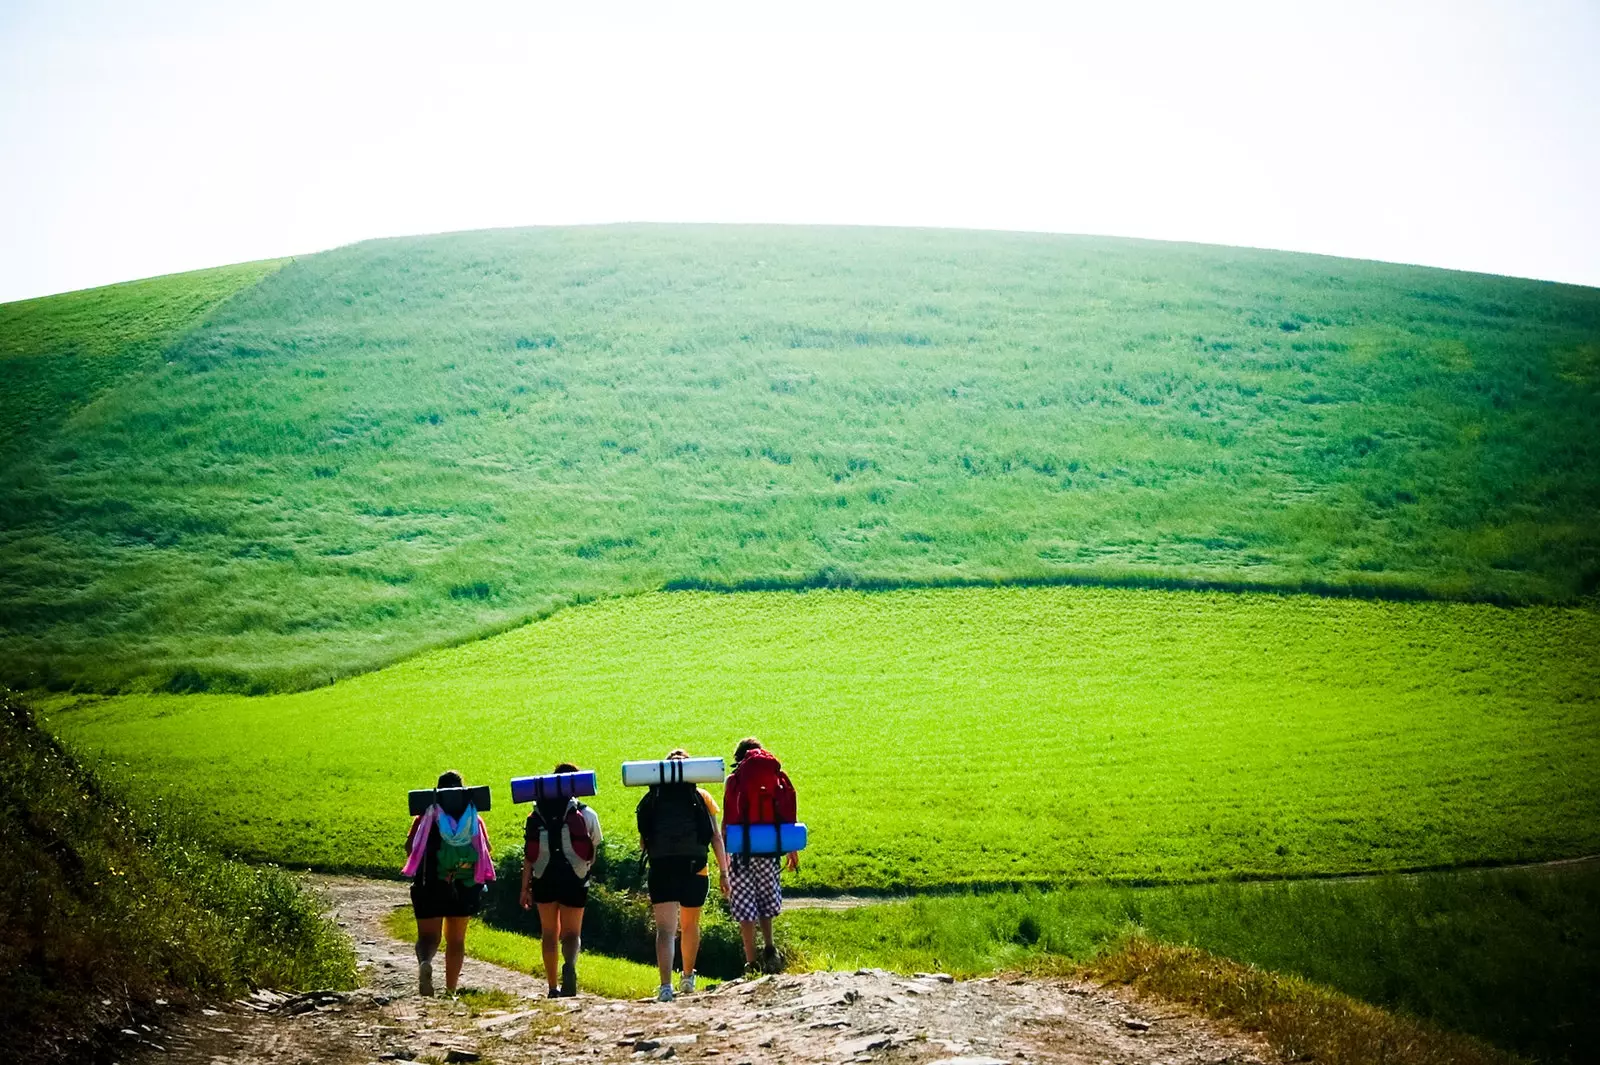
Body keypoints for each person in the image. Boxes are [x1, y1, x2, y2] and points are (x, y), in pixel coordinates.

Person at [636, 748, 730, 1001]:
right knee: (690, 926)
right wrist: (724, 872)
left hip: (662, 870)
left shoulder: (653, 797)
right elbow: (716, 837)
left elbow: (644, 842)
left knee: (665, 931)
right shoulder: (701, 796)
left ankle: (665, 987)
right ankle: (687, 978)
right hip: (695, 869)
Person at [402, 769, 495, 996]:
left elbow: (410, 848)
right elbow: (487, 850)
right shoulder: (474, 818)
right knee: (456, 940)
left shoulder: (425, 816)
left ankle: (426, 962)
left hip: (430, 884)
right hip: (463, 886)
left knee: (428, 938)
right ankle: (451, 990)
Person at [519, 762, 603, 997]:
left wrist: (524, 888)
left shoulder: (534, 814)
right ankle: (570, 965)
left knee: (549, 933)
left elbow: (528, 855)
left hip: (543, 879)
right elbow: (594, 849)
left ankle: (552, 987)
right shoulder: (586, 814)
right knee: (571, 934)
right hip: (575, 880)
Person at [722, 737, 800, 974]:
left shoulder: (733, 780)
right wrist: (792, 849)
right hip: (769, 849)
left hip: (741, 852)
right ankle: (769, 948)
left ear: (739, 758)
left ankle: (751, 961)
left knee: (745, 906)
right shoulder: (776, 777)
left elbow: (727, 822)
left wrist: (724, 860)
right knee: (766, 900)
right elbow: (787, 813)